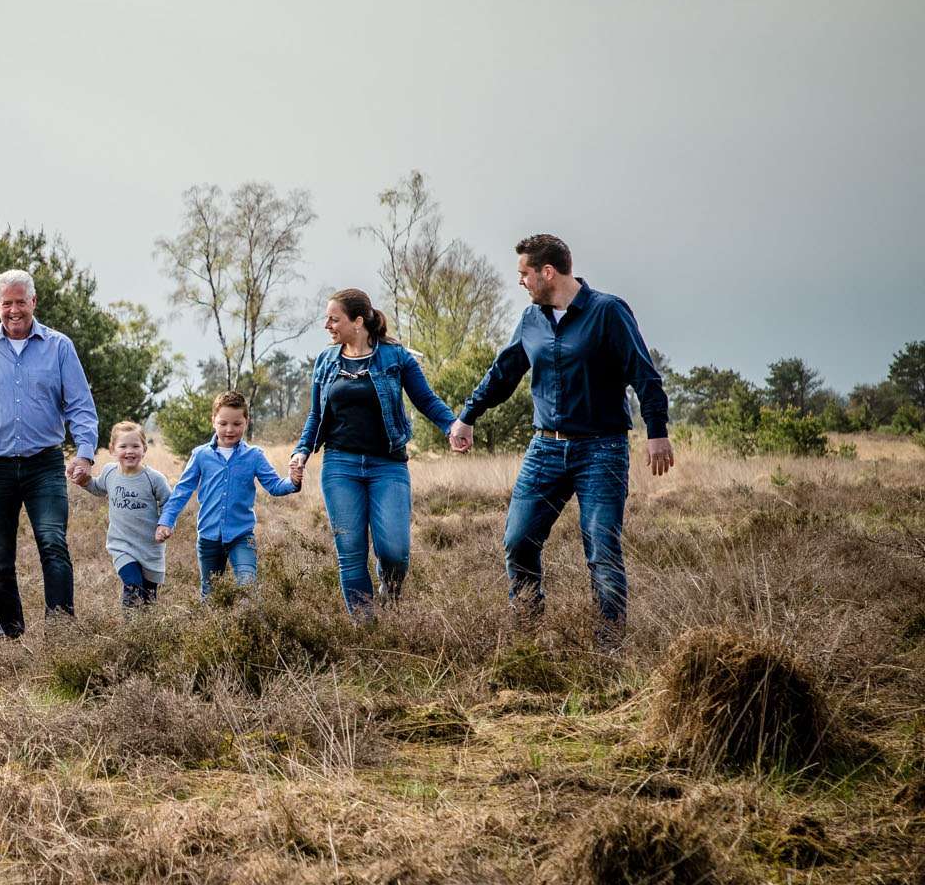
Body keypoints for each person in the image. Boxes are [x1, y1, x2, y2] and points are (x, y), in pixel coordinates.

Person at [449, 233, 673, 648]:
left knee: (601, 548)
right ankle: (528, 636)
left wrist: (656, 431)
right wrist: (467, 416)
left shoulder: (607, 312)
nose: (520, 282)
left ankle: (608, 648)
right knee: (518, 541)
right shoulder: (532, 320)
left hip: (600, 449)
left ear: (547, 272)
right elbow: (504, 372)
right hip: (545, 448)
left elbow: (644, 373)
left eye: (524, 274)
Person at [288, 288, 459, 617]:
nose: (327, 325)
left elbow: (426, 399)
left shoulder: (396, 357)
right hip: (340, 466)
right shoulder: (326, 361)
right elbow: (315, 415)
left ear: (358, 321)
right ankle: (365, 626)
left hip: (388, 465)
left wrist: (451, 426)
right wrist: (302, 451)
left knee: (394, 551)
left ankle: (390, 594)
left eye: (333, 319)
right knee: (350, 552)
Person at [0, 269, 101, 636]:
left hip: (44, 465)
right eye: (7, 303)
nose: (14, 310)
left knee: (53, 544)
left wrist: (84, 453)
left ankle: (61, 634)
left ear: (34, 302)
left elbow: (80, 405)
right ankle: (11, 635)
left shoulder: (59, 346)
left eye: (21, 302)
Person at [155, 390, 299, 598]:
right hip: (208, 536)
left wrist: (293, 481)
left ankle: (248, 627)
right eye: (223, 423)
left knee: (248, 586)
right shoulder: (201, 455)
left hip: (241, 535)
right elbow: (182, 491)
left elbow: (275, 486)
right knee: (211, 595)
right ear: (213, 421)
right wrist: (166, 521)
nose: (229, 430)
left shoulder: (254, 456)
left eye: (236, 424)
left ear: (246, 422)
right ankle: (214, 629)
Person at [83, 420, 172, 607]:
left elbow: (169, 504)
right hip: (121, 545)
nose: (129, 451)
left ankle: (146, 632)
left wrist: (165, 525)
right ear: (112, 449)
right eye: (123, 446)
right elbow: (98, 488)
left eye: (135, 446)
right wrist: (84, 481)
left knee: (149, 599)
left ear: (144, 449)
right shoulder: (109, 473)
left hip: (150, 548)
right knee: (132, 585)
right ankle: (129, 629)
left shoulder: (154, 479)